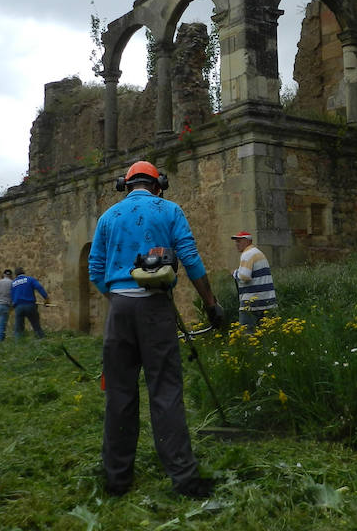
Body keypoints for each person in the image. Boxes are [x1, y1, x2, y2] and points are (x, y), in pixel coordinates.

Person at [88, 160, 224, 499]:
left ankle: (117, 480)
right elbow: (191, 259)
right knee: (164, 391)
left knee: (119, 393)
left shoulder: (108, 218)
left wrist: (118, 299)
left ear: (126, 184)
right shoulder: (170, 210)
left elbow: (95, 269)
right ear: (157, 184)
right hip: (156, 306)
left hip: (119, 307)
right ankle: (184, 479)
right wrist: (210, 303)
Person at [231, 231, 277, 332]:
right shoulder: (258, 253)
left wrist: (235, 273)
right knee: (268, 337)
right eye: (236, 242)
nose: (236, 244)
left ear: (247, 241)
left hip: (251, 304)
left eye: (239, 241)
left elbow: (245, 276)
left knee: (248, 337)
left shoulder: (247, 254)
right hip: (268, 301)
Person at [10, 267, 48, 339]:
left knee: (18, 329)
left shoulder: (13, 283)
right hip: (30, 305)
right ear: (24, 272)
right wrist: (46, 298)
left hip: (18, 307)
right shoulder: (30, 279)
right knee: (36, 326)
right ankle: (42, 341)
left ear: (15, 274)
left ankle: (18, 346)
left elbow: (12, 295)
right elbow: (39, 287)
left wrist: (13, 305)